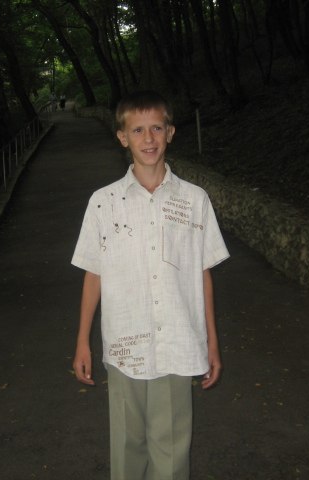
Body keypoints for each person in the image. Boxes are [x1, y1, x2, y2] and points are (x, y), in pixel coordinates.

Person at [71, 90, 230, 480]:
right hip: (125, 344)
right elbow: (94, 274)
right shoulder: (103, 203)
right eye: (138, 130)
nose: (148, 138)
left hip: (177, 343)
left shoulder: (194, 200)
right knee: (128, 446)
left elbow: (202, 274)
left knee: (171, 448)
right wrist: (82, 341)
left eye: (156, 128)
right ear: (122, 137)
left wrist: (211, 342)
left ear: (170, 133)